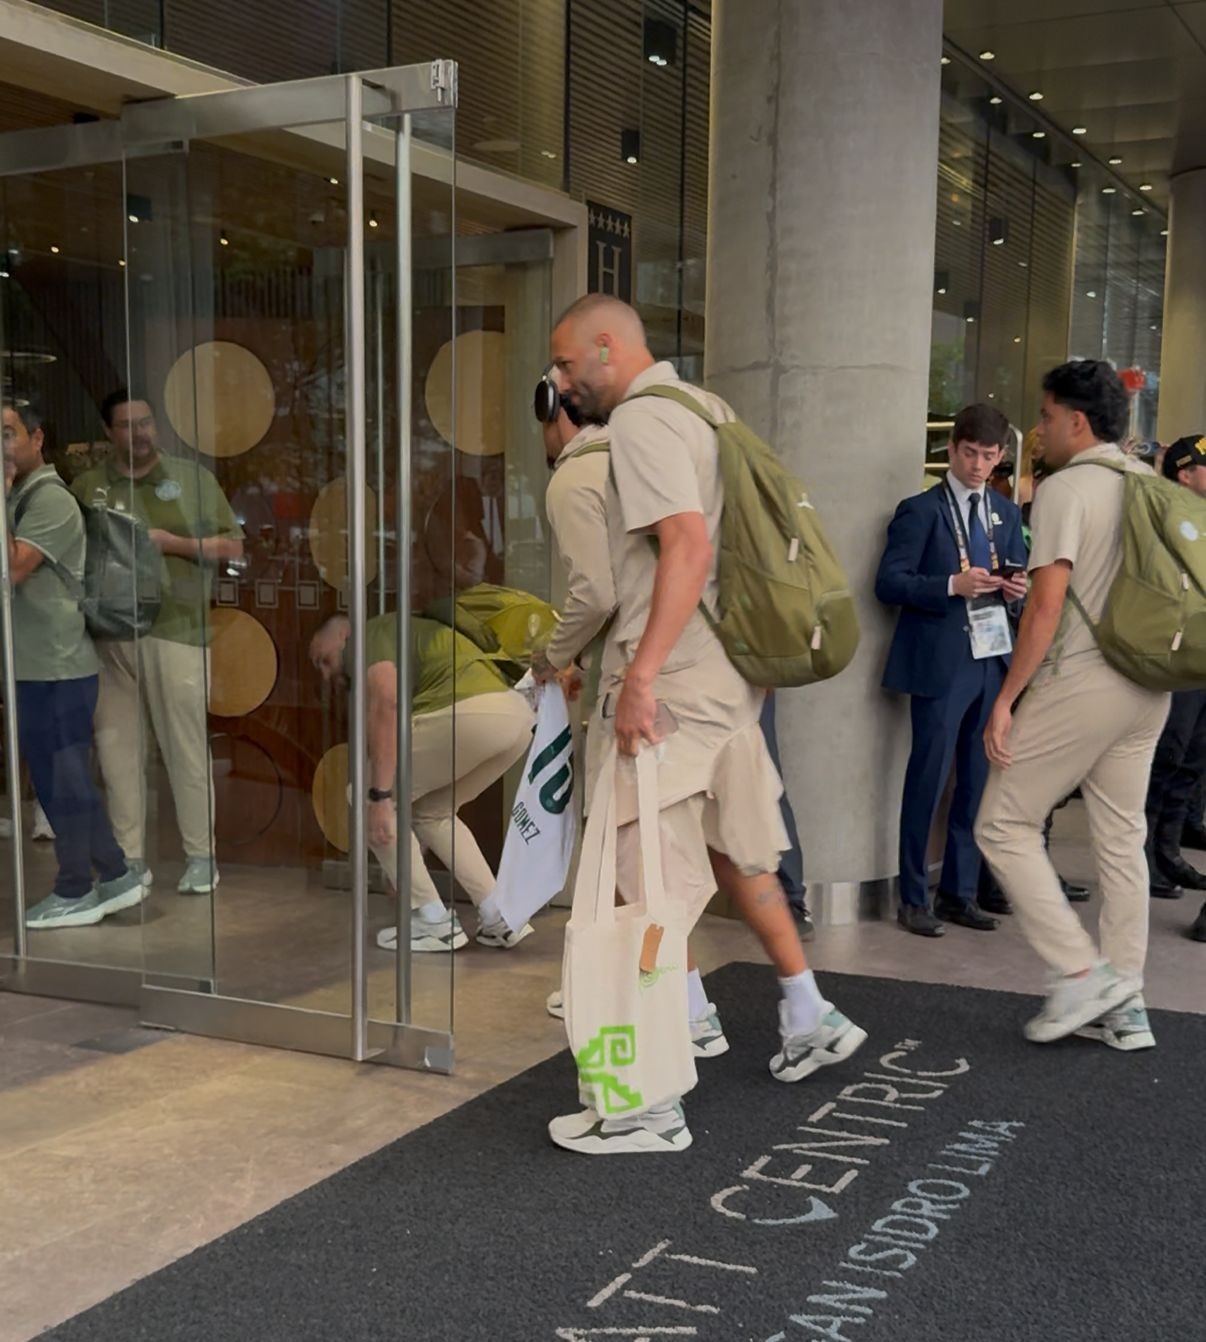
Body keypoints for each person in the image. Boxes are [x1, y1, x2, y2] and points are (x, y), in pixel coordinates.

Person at [546, 294, 865, 1156]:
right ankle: (804, 1012)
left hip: (675, 681)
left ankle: (647, 1102)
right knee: (733, 852)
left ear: (609, 349)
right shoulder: (708, 410)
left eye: (569, 364)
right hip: (729, 682)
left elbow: (686, 545)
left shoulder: (646, 422)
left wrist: (640, 675)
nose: (563, 382)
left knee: (640, 876)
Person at [977, 360, 1169, 1050]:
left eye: (1048, 415)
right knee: (1122, 839)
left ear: (1078, 422)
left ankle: (1080, 971)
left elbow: (1046, 608)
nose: (1040, 428)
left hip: (1085, 678)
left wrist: (1007, 699)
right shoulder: (1147, 482)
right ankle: (1128, 1002)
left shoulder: (1067, 489)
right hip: (1149, 685)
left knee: (1002, 823)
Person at [534, 385, 727, 1057]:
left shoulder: (580, 476)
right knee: (659, 858)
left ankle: (687, 1012)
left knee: (637, 861)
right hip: (707, 675)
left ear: (554, 411)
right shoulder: (663, 455)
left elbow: (595, 592)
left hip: (643, 685)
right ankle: (699, 1002)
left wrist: (549, 658)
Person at [71, 390, 245, 895]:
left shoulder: (191, 479)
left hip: (178, 629)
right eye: (126, 425)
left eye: (146, 422)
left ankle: (200, 855)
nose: (139, 432)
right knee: (117, 750)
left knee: (185, 746)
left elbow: (234, 547)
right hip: (109, 634)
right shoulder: (87, 486)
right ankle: (128, 859)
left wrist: (174, 544)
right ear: (108, 433)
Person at [876, 404, 1029, 937]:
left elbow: (1015, 579)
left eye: (989, 456)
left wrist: (1015, 591)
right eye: (970, 453)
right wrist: (949, 585)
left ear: (1001, 457)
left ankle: (962, 893)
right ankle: (914, 897)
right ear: (951, 450)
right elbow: (889, 583)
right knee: (928, 777)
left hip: (992, 657)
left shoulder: (1007, 514)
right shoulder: (920, 510)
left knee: (978, 781)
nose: (979, 464)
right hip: (942, 661)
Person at [310, 612, 536, 952]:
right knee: (433, 812)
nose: (326, 674)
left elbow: (388, 701)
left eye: (323, 660)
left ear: (343, 634)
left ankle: (431, 920)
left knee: (363, 794)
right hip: (516, 719)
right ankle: (499, 915)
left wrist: (381, 797)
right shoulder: (407, 634)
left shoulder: (368, 636)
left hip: (470, 713)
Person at [3, 403, 144, 928]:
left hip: (57, 667)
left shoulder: (51, 499)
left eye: (8, 433)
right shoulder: (18, 494)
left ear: (37, 438)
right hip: (35, 664)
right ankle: (114, 874)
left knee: (64, 781)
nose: (1, 445)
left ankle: (74, 888)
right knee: (57, 778)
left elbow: (13, 568)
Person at [1143, 435, 1206, 902]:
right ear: (1185, 474)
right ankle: (1143, 856)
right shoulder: (1169, 518)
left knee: (1193, 760)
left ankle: (1168, 850)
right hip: (1179, 652)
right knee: (1168, 754)